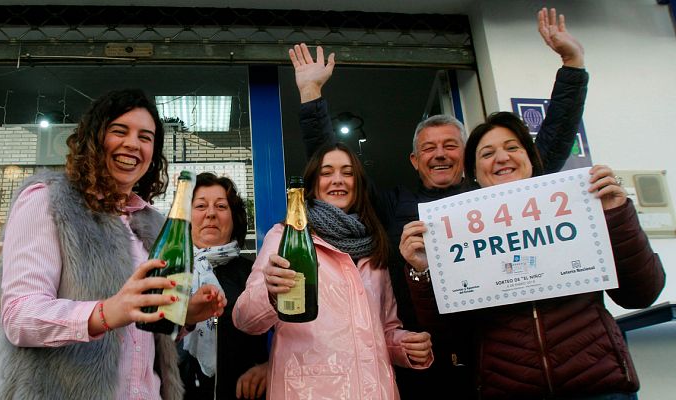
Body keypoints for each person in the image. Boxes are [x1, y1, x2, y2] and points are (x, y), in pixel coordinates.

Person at [289, 7, 589, 398]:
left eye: (451, 145)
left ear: (466, 155)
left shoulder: (497, 196)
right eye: (429, 148)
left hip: (492, 354)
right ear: (415, 161)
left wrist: (572, 65)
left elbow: (546, 150)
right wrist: (311, 95)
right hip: (419, 358)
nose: (440, 154)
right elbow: (336, 168)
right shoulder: (393, 203)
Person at [401, 111, 665, 399]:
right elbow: (449, 334)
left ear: (531, 158)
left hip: (599, 384)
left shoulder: (581, 206)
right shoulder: (456, 228)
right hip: (509, 390)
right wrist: (423, 272)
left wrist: (617, 214)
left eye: (512, 147)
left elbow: (642, 294)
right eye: (487, 153)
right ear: (473, 171)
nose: (502, 158)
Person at [0, 88, 226, 400]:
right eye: (119, 131)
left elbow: (145, 328)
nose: (133, 143)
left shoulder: (153, 222)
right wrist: (107, 312)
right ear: (93, 138)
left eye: (145, 136)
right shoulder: (47, 200)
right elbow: (20, 316)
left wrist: (185, 315)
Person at [233, 142, 434, 399]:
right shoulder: (286, 236)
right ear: (313, 184)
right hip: (308, 392)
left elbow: (384, 328)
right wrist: (270, 294)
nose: (337, 180)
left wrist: (404, 345)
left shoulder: (374, 244)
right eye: (327, 172)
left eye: (347, 172)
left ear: (358, 184)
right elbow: (244, 319)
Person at [179, 172, 268, 399]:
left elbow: (292, 335)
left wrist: (271, 367)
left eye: (221, 206)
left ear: (234, 217)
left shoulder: (255, 275)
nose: (210, 214)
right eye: (200, 206)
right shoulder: (167, 271)